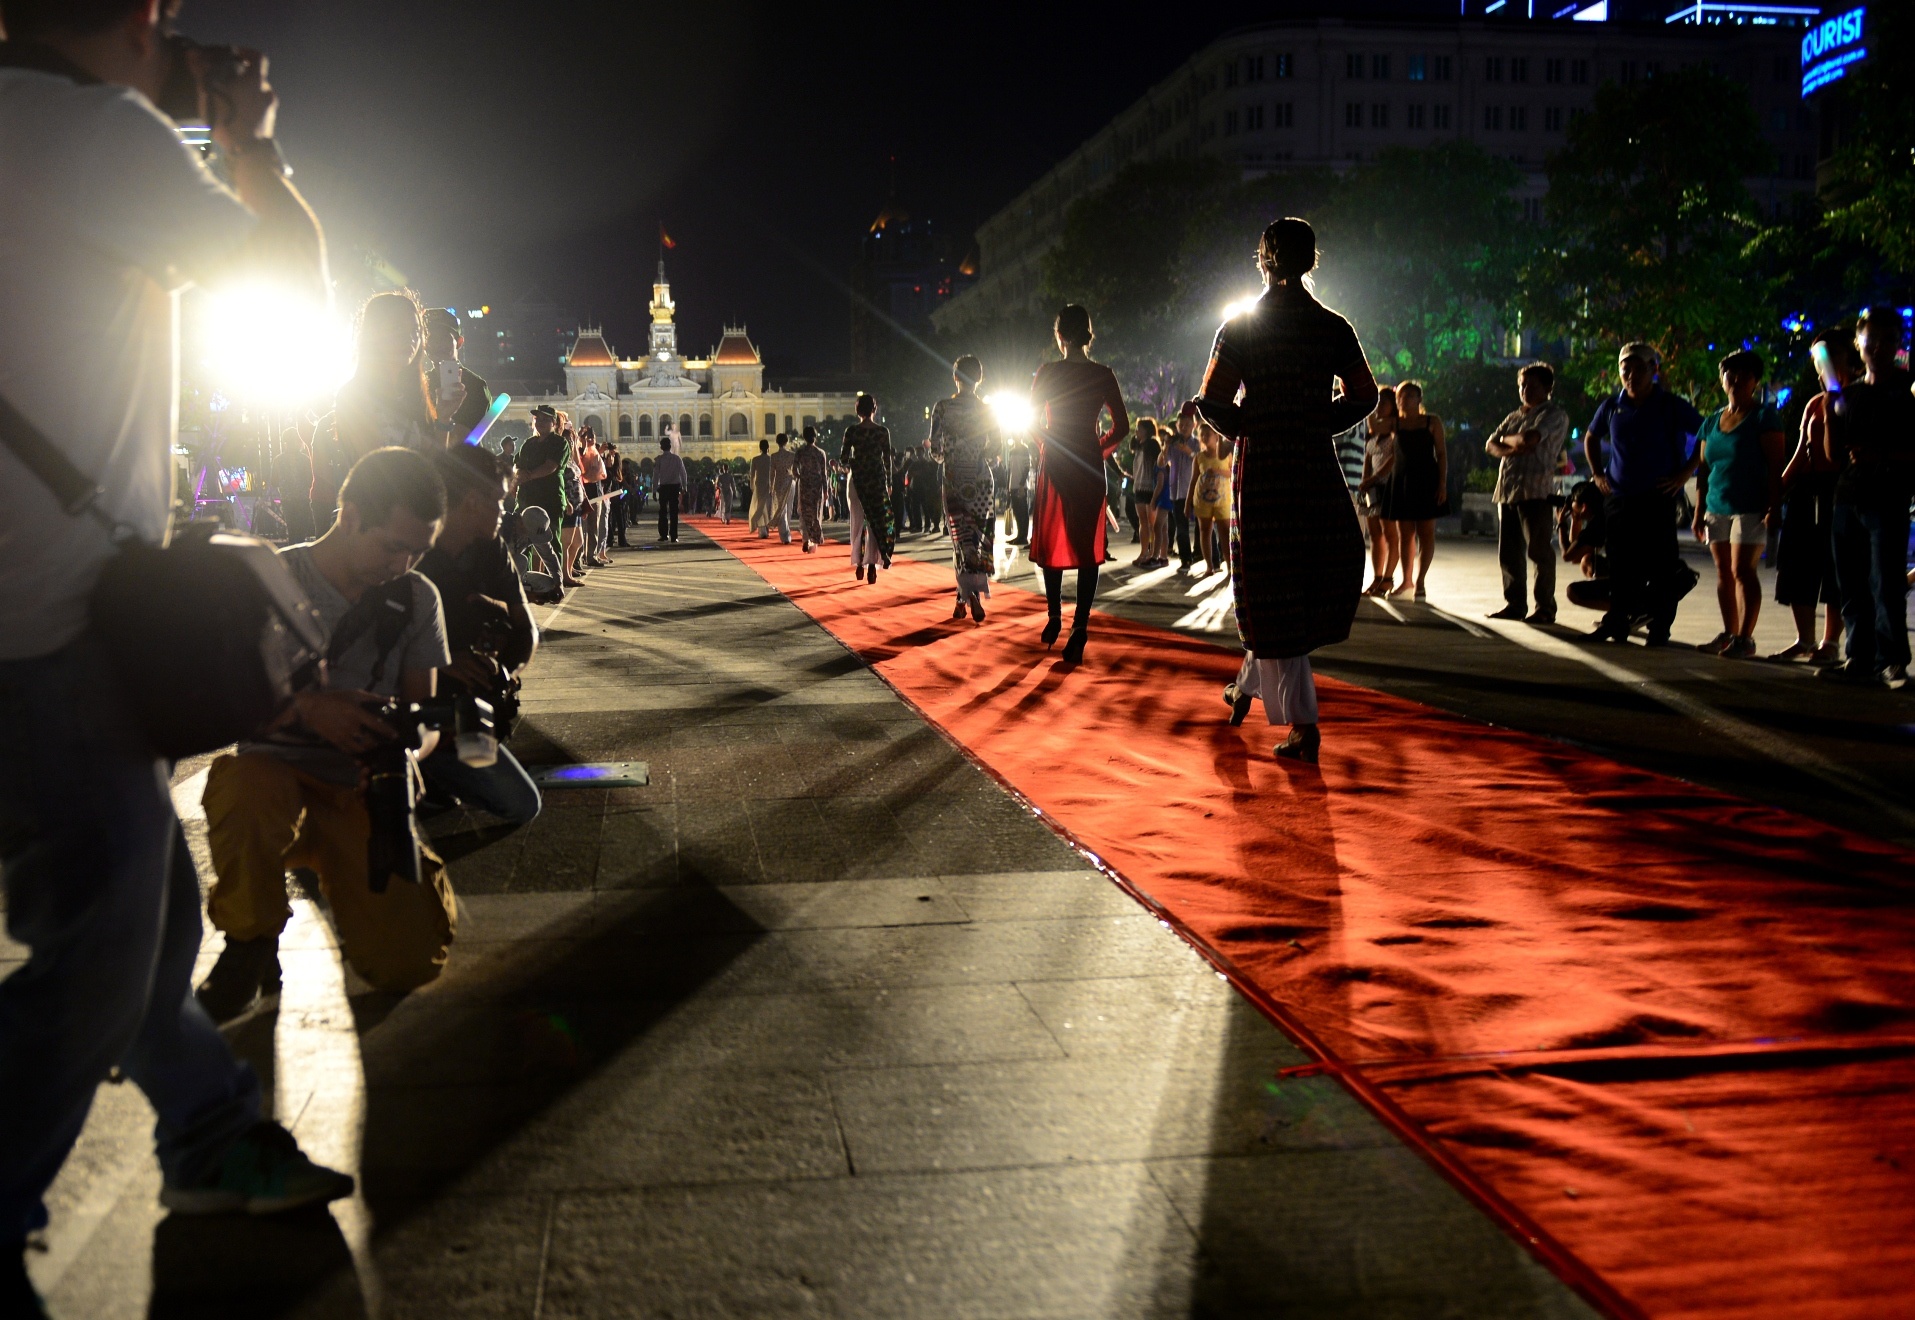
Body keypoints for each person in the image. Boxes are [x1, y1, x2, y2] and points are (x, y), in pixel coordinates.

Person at [0, 4, 352, 1290]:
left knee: (140, 914)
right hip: (54, 615)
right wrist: (249, 142)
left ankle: (205, 1134)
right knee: (98, 948)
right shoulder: (99, 132)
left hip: (27, 612)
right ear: (143, 24)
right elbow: (287, 283)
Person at [195, 447, 456, 1022]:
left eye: (419, 551)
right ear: (350, 514)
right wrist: (310, 710)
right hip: (275, 774)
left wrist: (409, 751)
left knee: (409, 963)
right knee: (245, 792)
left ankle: (355, 879)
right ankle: (250, 941)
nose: (405, 563)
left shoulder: (416, 598)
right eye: (394, 545)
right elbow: (222, 707)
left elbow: (425, 713)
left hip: (360, 785)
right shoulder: (271, 580)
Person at [1196, 217, 1378, 763]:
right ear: (1310, 260)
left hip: (1265, 471)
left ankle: (1303, 725)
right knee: (1298, 579)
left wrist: (1251, 426)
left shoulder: (1241, 327)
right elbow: (1366, 395)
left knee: (1268, 586)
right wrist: (1319, 419)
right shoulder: (1332, 326)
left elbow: (1212, 401)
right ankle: (1247, 684)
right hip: (1314, 467)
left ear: (1264, 259)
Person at [417, 447, 542, 824]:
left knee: (520, 803)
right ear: (472, 501)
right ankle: (421, 767)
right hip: (407, 700)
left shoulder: (491, 549)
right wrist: (444, 664)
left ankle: (437, 771)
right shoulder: (413, 550)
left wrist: (500, 673)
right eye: (499, 501)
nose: (505, 512)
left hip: (463, 705)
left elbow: (527, 630)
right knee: (515, 801)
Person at [1581, 343, 1703, 646]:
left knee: (1662, 565)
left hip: (1657, 497)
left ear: (1654, 370)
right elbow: (1591, 437)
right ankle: (1618, 622)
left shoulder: (1670, 405)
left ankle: (1660, 628)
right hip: (1620, 497)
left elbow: (1706, 433)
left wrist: (1687, 471)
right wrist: (1597, 473)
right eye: (1625, 369)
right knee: (1621, 565)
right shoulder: (1612, 405)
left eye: (1638, 369)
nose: (1630, 375)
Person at [1820, 306, 1915, 688]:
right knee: (1852, 582)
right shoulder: (1851, 394)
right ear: (1858, 343)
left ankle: (1892, 660)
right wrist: (1828, 416)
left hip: (1888, 499)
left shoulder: (1908, 391)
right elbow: (1833, 456)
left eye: (1886, 340)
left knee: (1887, 582)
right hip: (1848, 498)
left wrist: (1884, 456)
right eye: (1869, 339)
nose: (1876, 347)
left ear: (1898, 343)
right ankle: (1858, 656)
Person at [1029, 305, 1129, 664]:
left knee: (1051, 542)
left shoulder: (1048, 373)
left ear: (1059, 337)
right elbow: (1122, 426)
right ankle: (1080, 627)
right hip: (1088, 464)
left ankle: (1055, 617)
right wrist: (1099, 449)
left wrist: (1046, 447)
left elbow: (1030, 421)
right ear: (1089, 334)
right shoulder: (1103, 374)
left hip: (1055, 462)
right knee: (1089, 549)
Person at [1691, 349, 1786, 658]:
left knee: (1743, 570)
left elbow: (1775, 466)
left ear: (1754, 381)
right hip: (1717, 505)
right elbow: (1704, 469)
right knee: (1723, 572)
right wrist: (1698, 511)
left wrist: (1774, 506)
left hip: (1751, 506)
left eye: (1742, 375)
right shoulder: (1712, 421)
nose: (1734, 380)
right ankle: (1729, 632)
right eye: (1729, 374)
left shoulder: (1763, 417)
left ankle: (1745, 637)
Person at [317, 291, 438, 517]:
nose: (409, 338)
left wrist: (446, 418)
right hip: (376, 516)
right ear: (373, 334)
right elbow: (375, 465)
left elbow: (436, 464)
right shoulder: (354, 396)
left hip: (417, 514)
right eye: (397, 329)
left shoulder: (416, 397)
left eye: (416, 331)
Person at [1772, 330, 1852, 663]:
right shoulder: (1814, 403)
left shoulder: (1856, 397)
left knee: (1835, 568)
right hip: (1808, 490)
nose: (1825, 364)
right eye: (1819, 358)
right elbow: (1801, 454)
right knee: (1795, 565)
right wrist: (1776, 493)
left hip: (1842, 489)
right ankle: (1805, 639)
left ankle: (1830, 642)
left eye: (1832, 355)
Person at [1483, 362, 1570, 624]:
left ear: (1547, 387)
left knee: (1539, 551)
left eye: (1531, 385)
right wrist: (1514, 445)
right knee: (1509, 554)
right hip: (1508, 489)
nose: (1525, 390)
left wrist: (1510, 442)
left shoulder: (1554, 415)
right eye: (1522, 385)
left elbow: (1530, 439)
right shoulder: (1514, 416)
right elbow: (1490, 444)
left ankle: (1545, 607)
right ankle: (1515, 604)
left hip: (1536, 491)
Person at [929, 355, 1002, 620]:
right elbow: (995, 448)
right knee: (977, 538)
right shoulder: (988, 410)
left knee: (960, 539)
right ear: (980, 378)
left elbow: (936, 449)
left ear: (955, 377)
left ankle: (967, 596)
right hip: (982, 479)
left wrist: (944, 455)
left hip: (954, 478)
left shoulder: (942, 407)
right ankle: (966, 597)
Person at [1385, 381, 1446, 600]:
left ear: (1419, 399)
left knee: (1426, 532)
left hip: (1426, 479)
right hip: (1402, 480)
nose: (1405, 399)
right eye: (1401, 395)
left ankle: (1420, 581)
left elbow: (1441, 453)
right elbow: (1373, 427)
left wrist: (1442, 484)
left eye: (1410, 395)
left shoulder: (1431, 421)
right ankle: (1407, 580)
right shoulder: (1395, 423)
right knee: (1405, 534)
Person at [841, 394, 895, 583]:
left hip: (858, 480)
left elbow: (844, 459)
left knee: (858, 523)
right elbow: (887, 460)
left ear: (858, 410)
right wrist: (889, 484)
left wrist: (851, 463)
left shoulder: (852, 431)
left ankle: (858, 563)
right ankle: (872, 564)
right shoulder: (882, 432)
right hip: (877, 481)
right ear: (874, 409)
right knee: (875, 523)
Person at [514, 406, 568, 593]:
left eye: (546, 420)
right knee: (522, 543)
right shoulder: (528, 444)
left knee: (551, 542)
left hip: (550, 500)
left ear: (554, 423)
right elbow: (517, 465)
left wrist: (527, 475)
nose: (541, 423)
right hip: (526, 499)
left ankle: (556, 582)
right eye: (538, 419)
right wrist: (520, 473)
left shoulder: (559, 442)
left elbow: (551, 466)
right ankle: (524, 581)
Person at [421, 306, 488, 445]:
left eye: (444, 338)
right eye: (431, 338)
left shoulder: (475, 386)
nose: (437, 344)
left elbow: (462, 438)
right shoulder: (420, 383)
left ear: (459, 342)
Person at [1355, 390, 1399, 595]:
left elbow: (1393, 459)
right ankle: (1377, 577)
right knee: (1374, 535)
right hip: (1372, 488)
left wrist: (1373, 478)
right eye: (1378, 402)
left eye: (1384, 402)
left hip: (1387, 486)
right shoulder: (1375, 431)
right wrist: (1366, 479)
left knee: (1390, 533)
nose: (1380, 406)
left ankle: (1388, 578)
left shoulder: (1395, 428)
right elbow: (1368, 456)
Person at [1188, 417, 1233, 576]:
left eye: (1208, 434)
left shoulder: (1225, 454)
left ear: (1216, 436)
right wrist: (1188, 505)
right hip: (1203, 500)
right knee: (1204, 530)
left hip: (1223, 500)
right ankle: (1209, 566)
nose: (1205, 437)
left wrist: (1219, 472)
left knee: (1225, 532)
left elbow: (1232, 473)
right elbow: (1193, 481)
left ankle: (1229, 566)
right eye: (1202, 435)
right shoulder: (1199, 457)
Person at [1162, 412, 1199, 570]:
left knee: (1203, 527)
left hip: (1195, 491)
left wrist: (1188, 451)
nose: (1184, 428)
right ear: (1176, 426)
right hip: (1176, 491)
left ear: (1194, 426)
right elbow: (1163, 461)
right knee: (1181, 529)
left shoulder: (1197, 443)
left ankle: (1208, 556)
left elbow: (1202, 460)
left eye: (1187, 425)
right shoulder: (1173, 444)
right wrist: (1165, 446)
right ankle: (1186, 559)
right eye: (1181, 425)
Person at [793, 425, 829, 552]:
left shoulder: (800, 452)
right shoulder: (820, 453)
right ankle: (814, 539)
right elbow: (824, 474)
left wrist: (800, 476)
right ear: (815, 437)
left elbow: (794, 470)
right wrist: (826, 490)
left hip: (804, 485)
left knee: (804, 512)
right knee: (815, 513)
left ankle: (805, 538)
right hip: (817, 486)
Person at [1130, 422, 1161, 567]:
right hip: (1139, 487)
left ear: (1147, 431)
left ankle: (1153, 553)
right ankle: (1143, 552)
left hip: (1150, 487)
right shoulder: (1137, 446)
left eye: (1139, 429)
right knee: (1142, 522)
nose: (1136, 431)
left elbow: (1159, 465)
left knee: (1152, 522)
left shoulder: (1153, 445)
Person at [654, 433, 688, 544]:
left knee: (663, 512)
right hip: (674, 488)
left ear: (661, 447)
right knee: (674, 513)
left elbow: (655, 476)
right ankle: (674, 536)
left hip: (663, 488)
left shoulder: (659, 460)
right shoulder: (677, 459)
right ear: (670, 446)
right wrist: (684, 487)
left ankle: (664, 535)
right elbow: (683, 474)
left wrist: (654, 490)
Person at [1005, 434, 1033, 546]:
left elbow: (1027, 468)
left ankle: (1023, 536)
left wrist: (1021, 484)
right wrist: (1008, 486)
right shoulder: (1011, 451)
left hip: (1021, 486)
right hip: (1013, 485)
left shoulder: (1025, 450)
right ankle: (1019, 535)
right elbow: (1009, 470)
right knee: (1017, 512)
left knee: (1023, 512)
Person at [749, 438, 774, 537]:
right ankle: (764, 529)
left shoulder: (755, 459)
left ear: (760, 448)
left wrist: (752, 486)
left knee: (760, 507)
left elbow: (752, 475)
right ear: (768, 448)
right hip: (768, 485)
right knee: (767, 508)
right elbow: (774, 474)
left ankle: (761, 529)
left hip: (759, 484)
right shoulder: (771, 459)